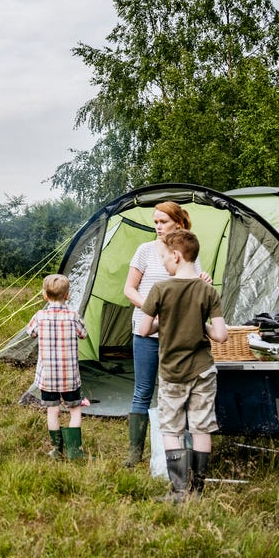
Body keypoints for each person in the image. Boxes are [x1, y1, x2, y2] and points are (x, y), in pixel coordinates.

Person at [137, 229, 228, 500]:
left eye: (164, 257)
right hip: (203, 369)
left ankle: (178, 491)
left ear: (176, 256)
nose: (163, 262)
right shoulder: (207, 290)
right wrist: (199, 324)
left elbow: (143, 330)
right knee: (201, 427)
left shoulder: (160, 289)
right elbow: (221, 335)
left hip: (172, 372)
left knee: (172, 429)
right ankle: (198, 490)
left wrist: (163, 321)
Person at [122, 201, 210, 468]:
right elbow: (129, 289)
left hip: (177, 336)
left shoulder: (186, 252)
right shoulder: (145, 250)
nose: (157, 226)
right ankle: (135, 452)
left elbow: (192, 292)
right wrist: (152, 310)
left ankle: (176, 452)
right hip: (146, 330)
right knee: (143, 389)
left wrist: (202, 281)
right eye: (156, 222)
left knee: (177, 391)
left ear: (178, 224)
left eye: (163, 222)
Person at [24, 273, 91, 460]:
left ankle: (56, 449)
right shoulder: (73, 316)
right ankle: (75, 450)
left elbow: (30, 333)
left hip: (48, 378)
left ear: (45, 295)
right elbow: (83, 334)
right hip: (70, 376)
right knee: (75, 409)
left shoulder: (40, 316)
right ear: (67, 295)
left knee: (52, 411)